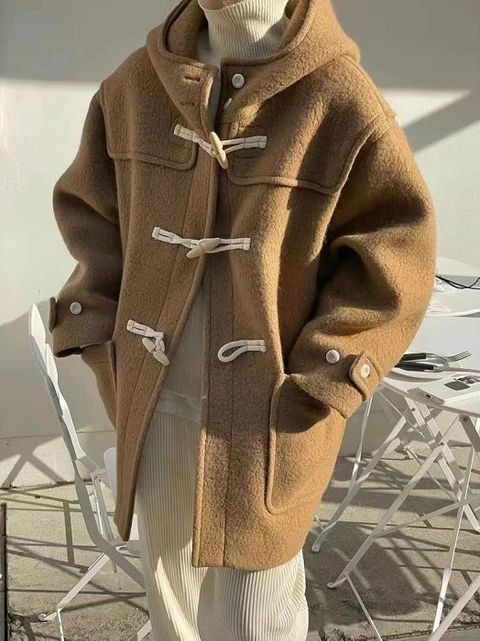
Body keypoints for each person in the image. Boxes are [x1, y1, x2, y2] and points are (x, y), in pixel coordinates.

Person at [48, 0, 437, 639]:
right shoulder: (136, 84)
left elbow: (395, 250)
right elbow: (93, 213)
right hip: (152, 391)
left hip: (270, 406)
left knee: (258, 605)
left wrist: (329, 374)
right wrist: (98, 327)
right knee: (169, 591)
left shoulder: (336, 94)